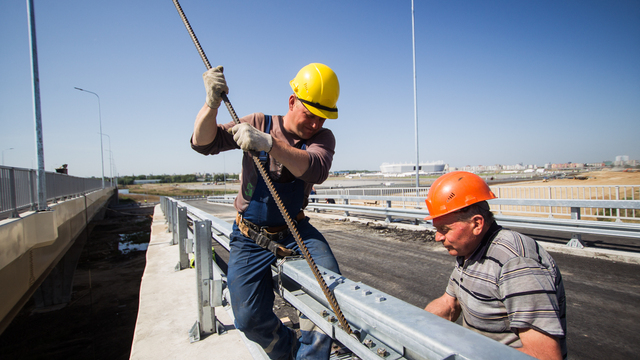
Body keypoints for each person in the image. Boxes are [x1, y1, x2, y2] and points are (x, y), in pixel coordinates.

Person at [191, 63, 342, 360]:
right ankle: (288, 350)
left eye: (321, 118)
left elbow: (315, 168)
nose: (314, 124)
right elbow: (203, 142)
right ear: (292, 101)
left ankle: (311, 357)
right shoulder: (258, 122)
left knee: (330, 295)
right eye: (309, 114)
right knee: (247, 318)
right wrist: (211, 105)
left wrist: (269, 145)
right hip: (250, 235)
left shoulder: (322, 139)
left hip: (297, 232)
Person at [423, 171, 567, 360]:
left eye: (444, 229)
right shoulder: (471, 252)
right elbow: (450, 304)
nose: (437, 237)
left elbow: (544, 356)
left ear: (477, 224)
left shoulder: (516, 264)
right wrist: (415, 324)